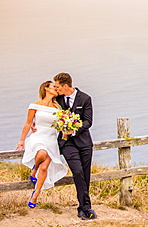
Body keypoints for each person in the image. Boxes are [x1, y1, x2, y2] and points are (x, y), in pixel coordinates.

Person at [15, 81, 67, 209]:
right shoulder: (34, 105)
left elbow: (62, 125)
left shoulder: (58, 108)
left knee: (44, 168)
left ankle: (36, 194)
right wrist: (21, 140)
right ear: (46, 88)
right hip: (38, 136)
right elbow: (28, 123)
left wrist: (67, 129)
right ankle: (34, 169)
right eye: (53, 87)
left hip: (51, 139)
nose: (56, 89)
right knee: (41, 153)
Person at [53, 72, 98, 220]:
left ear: (66, 86)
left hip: (84, 142)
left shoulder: (85, 98)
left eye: (58, 86)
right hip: (67, 144)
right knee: (77, 172)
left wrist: (75, 129)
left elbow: (88, 122)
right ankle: (86, 208)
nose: (56, 89)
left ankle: (83, 207)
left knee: (85, 174)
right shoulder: (57, 99)